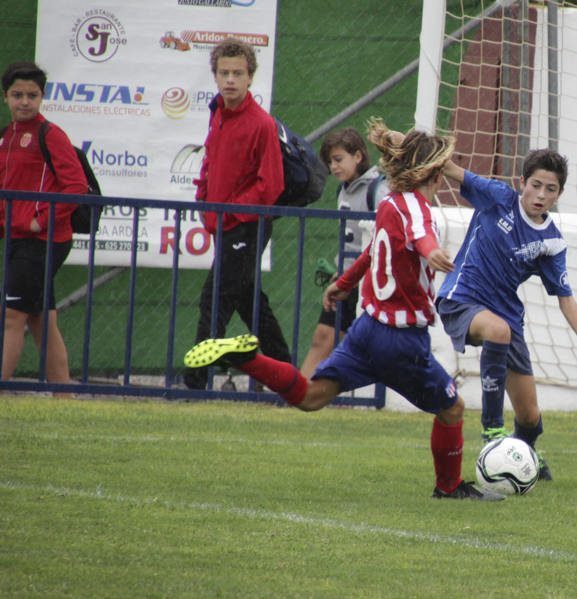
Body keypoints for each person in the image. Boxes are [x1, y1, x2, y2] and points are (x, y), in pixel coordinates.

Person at [184, 119, 503, 501]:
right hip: (401, 340)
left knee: (311, 396)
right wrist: (431, 251)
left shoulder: (387, 203)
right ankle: (449, 487)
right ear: (434, 176)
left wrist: (343, 283)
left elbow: (371, 252)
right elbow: (422, 235)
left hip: (366, 329)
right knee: (452, 408)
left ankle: (247, 358)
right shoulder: (417, 208)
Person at [436, 148, 577, 481]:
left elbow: (565, 297)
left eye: (551, 189)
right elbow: (451, 169)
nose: (541, 195)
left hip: (506, 317)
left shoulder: (552, 241)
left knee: (529, 416)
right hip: (463, 297)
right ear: (522, 182)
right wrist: (411, 144)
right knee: (498, 332)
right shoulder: (499, 197)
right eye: (536, 185)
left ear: (559, 194)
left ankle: (523, 454)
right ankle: (493, 433)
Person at [183, 37, 291, 390]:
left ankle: (194, 384)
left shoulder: (261, 124)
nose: (230, 79)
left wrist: (228, 215)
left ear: (250, 78)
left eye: (238, 73)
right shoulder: (217, 112)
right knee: (249, 302)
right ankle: (286, 373)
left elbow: (270, 185)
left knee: (214, 300)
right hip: (224, 225)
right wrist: (204, 200)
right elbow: (211, 160)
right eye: (224, 72)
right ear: (215, 76)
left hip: (246, 227)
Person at [0, 61, 86, 392]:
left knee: (12, 318)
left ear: (42, 97)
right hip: (18, 240)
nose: (24, 102)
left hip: (45, 241)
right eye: (17, 95)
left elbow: (76, 186)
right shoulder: (6, 137)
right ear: (5, 96)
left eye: (32, 95)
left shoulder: (50, 134)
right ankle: (64, 392)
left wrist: (41, 220)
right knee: (41, 321)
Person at [299, 128, 389, 378]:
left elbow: (385, 242)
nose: (334, 167)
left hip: (368, 284)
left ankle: (313, 395)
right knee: (323, 337)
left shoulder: (378, 190)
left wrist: (356, 272)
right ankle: (300, 396)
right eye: (330, 162)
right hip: (346, 281)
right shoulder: (342, 190)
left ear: (358, 156)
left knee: (359, 348)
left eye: (338, 159)